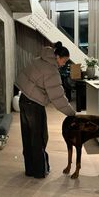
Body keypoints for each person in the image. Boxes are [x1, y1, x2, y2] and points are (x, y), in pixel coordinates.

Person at [16, 41, 76, 179]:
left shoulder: (39, 59)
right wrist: (72, 114)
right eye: (64, 61)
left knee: (27, 136)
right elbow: (58, 98)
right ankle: (39, 171)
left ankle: (30, 169)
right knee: (39, 138)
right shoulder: (51, 71)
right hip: (35, 105)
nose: (64, 64)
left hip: (24, 100)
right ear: (58, 57)